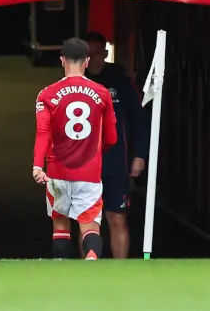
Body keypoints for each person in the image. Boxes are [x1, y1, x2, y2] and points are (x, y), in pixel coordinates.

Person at [32, 37, 117, 260]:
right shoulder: (102, 93)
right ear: (87, 61)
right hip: (89, 173)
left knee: (60, 226)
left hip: (57, 172)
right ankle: (91, 261)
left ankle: (61, 271)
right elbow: (112, 138)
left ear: (62, 61)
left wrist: (37, 165)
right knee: (90, 226)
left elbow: (42, 133)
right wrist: (96, 152)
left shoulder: (47, 94)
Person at [83, 31, 147, 259]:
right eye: (87, 53)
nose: (92, 58)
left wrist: (140, 155)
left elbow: (139, 119)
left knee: (117, 218)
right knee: (87, 221)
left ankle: (121, 272)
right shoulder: (73, 82)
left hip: (116, 163)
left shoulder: (121, 82)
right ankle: (90, 274)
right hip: (84, 165)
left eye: (96, 53)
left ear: (104, 53)